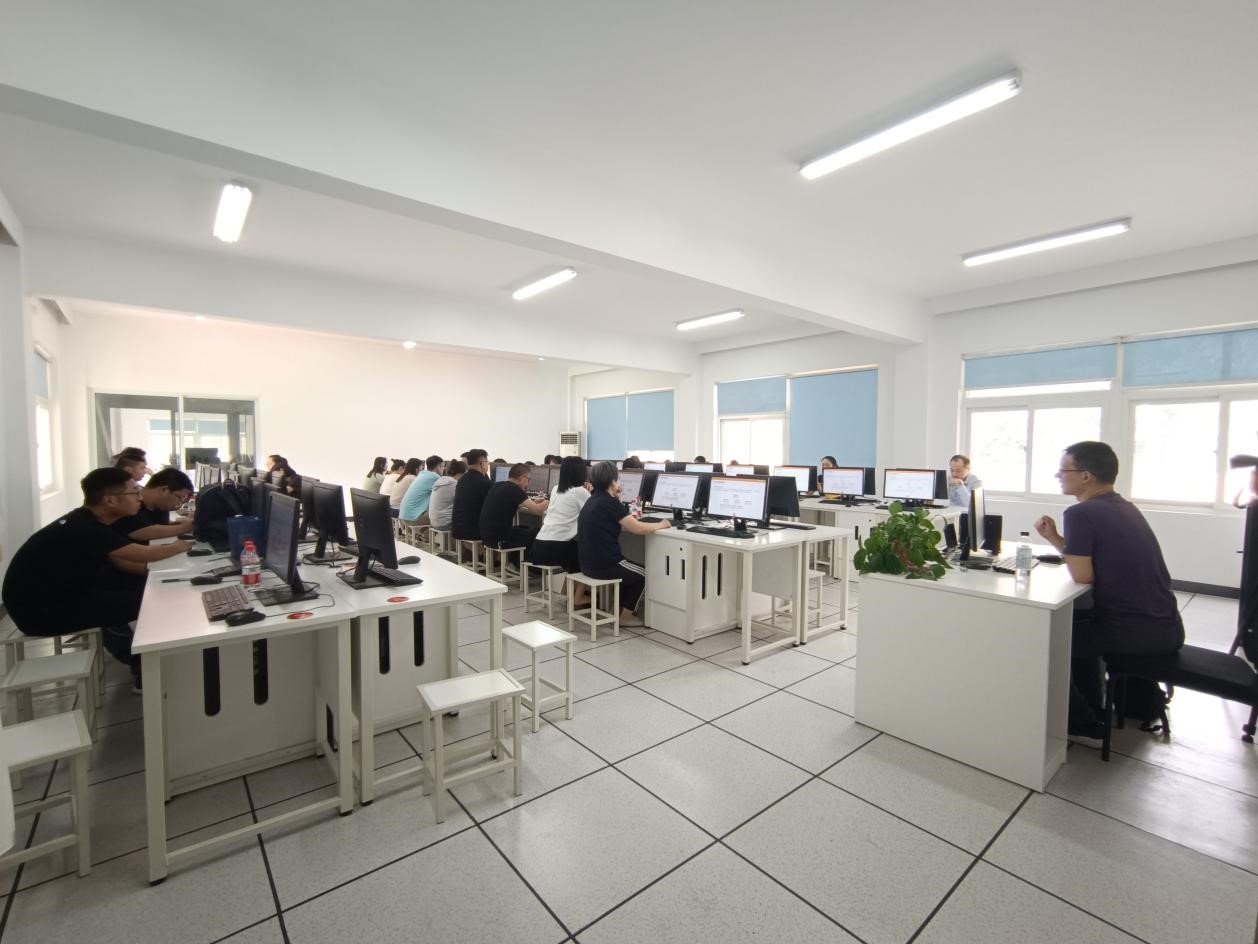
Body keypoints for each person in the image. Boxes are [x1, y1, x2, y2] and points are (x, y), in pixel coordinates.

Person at [1033, 441, 1184, 738]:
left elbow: (1082, 575)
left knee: (1045, 638)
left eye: (1063, 470)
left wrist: (1060, 543)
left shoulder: (1081, 513)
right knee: (1074, 622)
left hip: (1135, 632)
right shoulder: (1122, 506)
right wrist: (1054, 538)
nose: (1058, 476)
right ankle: (1092, 705)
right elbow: (1090, 563)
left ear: (1085, 476)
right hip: (1163, 625)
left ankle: (1081, 722)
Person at [1, 467, 194, 689]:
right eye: (133, 493)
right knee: (141, 603)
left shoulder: (88, 520)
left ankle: (151, 656)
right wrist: (180, 546)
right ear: (110, 500)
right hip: (39, 612)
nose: (139, 498)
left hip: (55, 596)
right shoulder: (85, 527)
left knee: (138, 589)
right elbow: (143, 554)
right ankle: (141, 666)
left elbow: (125, 559)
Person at [577, 461, 671, 628]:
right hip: (604, 565)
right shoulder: (609, 503)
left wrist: (617, 497)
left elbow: (617, 519)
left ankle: (619, 609)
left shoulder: (592, 500)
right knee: (643, 573)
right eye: (617, 479)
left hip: (586, 564)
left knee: (631, 570)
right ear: (613, 482)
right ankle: (626, 617)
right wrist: (662, 524)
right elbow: (638, 528)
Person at [529, 457, 593, 600]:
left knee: (574, 550)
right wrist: (590, 492)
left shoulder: (555, 488)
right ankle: (577, 599)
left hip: (539, 546)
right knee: (587, 555)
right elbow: (594, 511)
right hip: (556, 549)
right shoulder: (580, 492)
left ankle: (566, 594)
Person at [113, 467, 195, 543]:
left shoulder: (159, 506)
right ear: (164, 490)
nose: (179, 503)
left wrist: (176, 524)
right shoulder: (131, 504)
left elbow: (157, 525)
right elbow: (142, 532)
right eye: (179, 497)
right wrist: (188, 527)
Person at [480, 463, 548, 552]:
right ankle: (522, 560)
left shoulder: (497, 485)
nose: (528, 483)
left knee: (524, 528)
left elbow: (515, 503)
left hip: (486, 537)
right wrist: (548, 501)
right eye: (528, 479)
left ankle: (516, 559)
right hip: (500, 540)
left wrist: (533, 503)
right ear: (522, 478)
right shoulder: (515, 489)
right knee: (538, 533)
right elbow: (538, 511)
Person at [451, 449, 493, 543]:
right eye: (487, 462)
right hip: (473, 532)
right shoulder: (485, 483)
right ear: (482, 464)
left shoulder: (461, 480)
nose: (487, 465)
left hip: (458, 529)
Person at [399, 455, 443, 527]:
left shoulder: (422, 474)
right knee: (446, 516)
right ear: (438, 467)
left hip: (404, 517)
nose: (444, 469)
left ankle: (424, 533)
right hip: (413, 518)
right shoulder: (435, 477)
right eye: (442, 466)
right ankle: (427, 533)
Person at [429, 459, 465, 532]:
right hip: (445, 524)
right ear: (463, 473)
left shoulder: (441, 481)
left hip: (434, 522)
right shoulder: (454, 484)